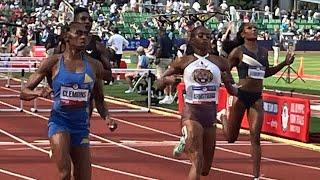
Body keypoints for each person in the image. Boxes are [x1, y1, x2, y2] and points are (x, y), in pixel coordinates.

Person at [20, 22, 110, 180]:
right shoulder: (53, 62)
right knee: (65, 173)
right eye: (79, 33)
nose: (83, 37)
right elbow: (23, 92)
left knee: (83, 177)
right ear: (67, 37)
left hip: (81, 126)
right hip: (59, 122)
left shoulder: (95, 66)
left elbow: (99, 99)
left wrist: (108, 118)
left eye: (86, 34)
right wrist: (38, 92)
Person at [157, 26, 238, 180]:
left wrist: (229, 85)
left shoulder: (221, 62)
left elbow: (233, 90)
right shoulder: (183, 61)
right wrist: (166, 80)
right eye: (201, 35)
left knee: (205, 169)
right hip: (192, 114)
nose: (206, 39)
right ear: (192, 39)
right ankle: (188, 139)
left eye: (208, 36)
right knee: (197, 162)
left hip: (210, 115)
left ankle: (186, 140)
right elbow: (157, 84)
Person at [221, 23, 295, 179]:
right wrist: (231, 85)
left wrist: (284, 63)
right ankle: (222, 117)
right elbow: (225, 70)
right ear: (242, 34)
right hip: (241, 96)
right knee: (231, 138)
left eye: (255, 27)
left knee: (255, 137)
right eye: (249, 28)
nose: (253, 29)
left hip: (256, 97)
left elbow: (266, 73)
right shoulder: (238, 52)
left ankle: (256, 176)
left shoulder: (263, 52)